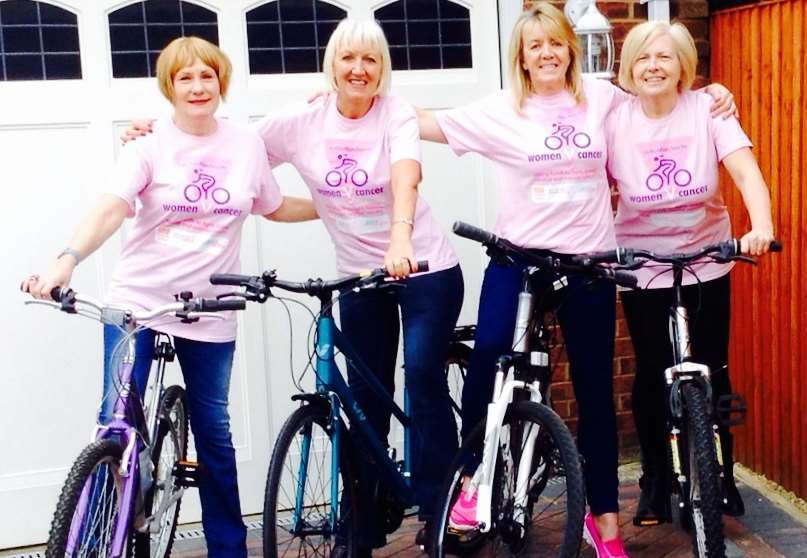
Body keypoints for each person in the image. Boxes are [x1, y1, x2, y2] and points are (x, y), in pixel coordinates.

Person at [126, 19, 464, 556]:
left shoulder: (394, 113)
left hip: (423, 266)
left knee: (421, 376)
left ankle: (441, 505)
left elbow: (407, 174)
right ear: (331, 66)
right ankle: (366, 520)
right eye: (348, 59)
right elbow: (218, 143)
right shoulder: (299, 122)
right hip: (359, 274)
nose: (358, 70)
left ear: (383, 69)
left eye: (370, 60)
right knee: (361, 397)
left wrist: (399, 237)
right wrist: (155, 132)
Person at [414, 3, 736, 557]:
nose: (546, 53)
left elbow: (663, 93)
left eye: (555, 43)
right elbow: (420, 123)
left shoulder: (602, 98)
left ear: (569, 48)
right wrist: (355, 104)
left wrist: (713, 93)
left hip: (587, 264)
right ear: (521, 53)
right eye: (534, 45)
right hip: (518, 258)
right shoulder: (500, 109)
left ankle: (604, 520)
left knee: (594, 390)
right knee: (490, 356)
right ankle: (473, 483)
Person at [22, 37, 316, 557]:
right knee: (115, 421)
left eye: (207, 76)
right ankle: (98, 540)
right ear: (169, 87)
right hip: (138, 303)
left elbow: (271, 206)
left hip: (209, 310)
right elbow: (112, 207)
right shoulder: (148, 145)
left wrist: (333, 206)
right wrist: (65, 259)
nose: (198, 86)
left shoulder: (245, 145)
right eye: (185, 78)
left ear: (220, 82)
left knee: (214, 434)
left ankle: (229, 548)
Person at [606, 21, 774, 527]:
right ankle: (655, 479)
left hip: (707, 256)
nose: (652, 66)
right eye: (642, 58)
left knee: (714, 368)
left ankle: (722, 474)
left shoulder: (708, 109)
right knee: (653, 371)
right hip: (643, 265)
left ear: (684, 66)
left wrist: (760, 225)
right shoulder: (614, 117)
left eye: (664, 57)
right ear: (629, 68)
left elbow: (744, 171)